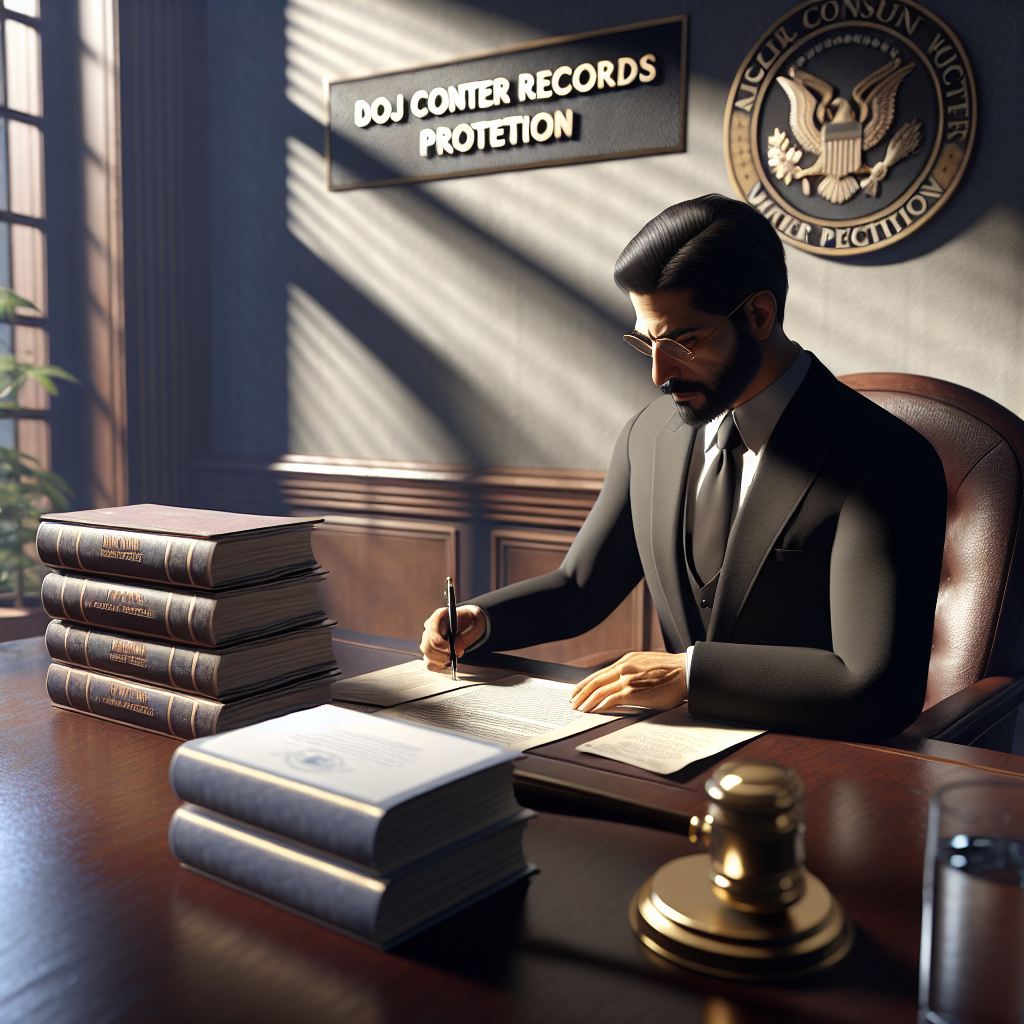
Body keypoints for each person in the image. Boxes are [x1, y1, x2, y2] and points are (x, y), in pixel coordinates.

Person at [420, 195, 947, 739]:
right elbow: (582, 587)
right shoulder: (648, 436)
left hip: (816, 768)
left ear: (759, 315)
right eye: (647, 342)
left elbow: (878, 685)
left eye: (683, 342)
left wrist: (691, 672)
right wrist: (483, 620)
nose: (658, 373)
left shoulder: (887, 461)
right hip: (671, 750)